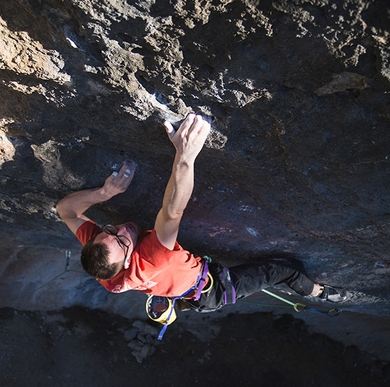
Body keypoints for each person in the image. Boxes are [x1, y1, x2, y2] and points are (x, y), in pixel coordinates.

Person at [56, 113, 348, 320]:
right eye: (123, 241)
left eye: (110, 229)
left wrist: (103, 194)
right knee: (285, 270)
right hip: (214, 290)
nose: (123, 229)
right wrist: (186, 155)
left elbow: (65, 210)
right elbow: (172, 212)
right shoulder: (150, 259)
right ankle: (320, 293)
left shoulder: (102, 260)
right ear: (128, 260)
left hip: (190, 286)